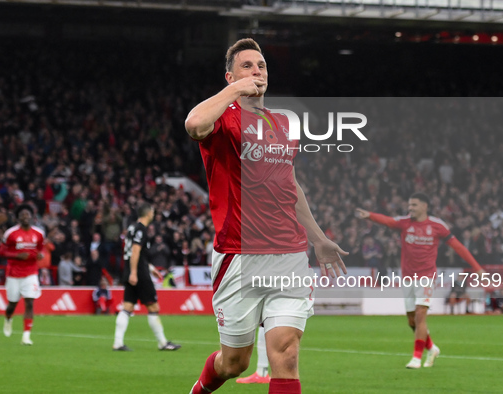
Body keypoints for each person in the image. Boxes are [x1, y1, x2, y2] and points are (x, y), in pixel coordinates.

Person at [185, 38, 347, 394]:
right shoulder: (222, 119)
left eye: (261, 66)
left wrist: (318, 238)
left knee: (286, 353)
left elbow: (290, 186)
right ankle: (200, 389)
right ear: (230, 76)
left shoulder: (284, 125)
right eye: (247, 66)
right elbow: (194, 124)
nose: (256, 71)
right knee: (235, 362)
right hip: (239, 257)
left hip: (289, 254)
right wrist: (235, 91)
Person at [356, 192, 484, 369]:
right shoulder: (404, 223)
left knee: (420, 314)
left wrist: (477, 268)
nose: (410, 208)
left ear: (425, 206)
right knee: (411, 320)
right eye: (409, 205)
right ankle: (431, 348)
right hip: (408, 277)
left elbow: (458, 247)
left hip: (427, 277)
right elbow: (388, 221)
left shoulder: (437, 225)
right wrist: (369, 215)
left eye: (414, 205)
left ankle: (416, 357)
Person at [112, 203, 181, 351]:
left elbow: (136, 253)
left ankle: (118, 343)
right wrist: (135, 272)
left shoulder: (132, 228)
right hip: (138, 273)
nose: (154, 214)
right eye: (153, 212)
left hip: (134, 270)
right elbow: (135, 251)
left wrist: (151, 268)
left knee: (128, 306)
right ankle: (162, 343)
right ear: (148, 213)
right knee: (153, 306)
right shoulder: (141, 230)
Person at [0, 204, 45, 346]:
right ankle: (8, 319)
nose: (25, 217)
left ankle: (26, 336)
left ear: (32, 217)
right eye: (22, 215)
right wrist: (17, 255)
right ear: (18, 218)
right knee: (12, 304)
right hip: (13, 274)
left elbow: (40, 250)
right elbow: (1, 252)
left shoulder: (39, 233)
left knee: (29, 302)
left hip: (31, 273)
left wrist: (40, 255)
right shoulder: (10, 233)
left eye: (27, 214)